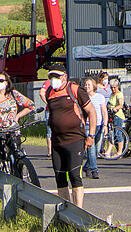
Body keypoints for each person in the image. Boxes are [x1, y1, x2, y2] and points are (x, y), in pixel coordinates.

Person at [44, 66, 96, 208]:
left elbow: (91, 112)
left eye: (56, 76)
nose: (53, 80)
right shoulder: (50, 92)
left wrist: (91, 135)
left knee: (75, 176)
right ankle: (66, 211)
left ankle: (78, 210)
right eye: (51, 77)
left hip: (75, 140)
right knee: (60, 178)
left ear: (64, 77)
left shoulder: (75, 90)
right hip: (57, 141)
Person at [0, 72, 34, 155]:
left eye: (1, 80)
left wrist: (17, 116)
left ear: (6, 82)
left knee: (16, 156)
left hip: (11, 131)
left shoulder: (13, 94)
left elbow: (30, 106)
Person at [81, 77, 108, 179]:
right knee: (91, 149)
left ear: (93, 86)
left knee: (96, 151)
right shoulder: (83, 98)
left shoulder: (100, 97)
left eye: (89, 85)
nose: (87, 86)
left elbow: (104, 112)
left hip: (99, 125)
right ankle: (94, 170)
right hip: (88, 125)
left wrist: (105, 125)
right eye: (85, 85)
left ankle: (87, 167)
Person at [105, 76, 126, 158]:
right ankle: (108, 151)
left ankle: (120, 151)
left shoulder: (119, 94)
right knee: (111, 133)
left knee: (118, 133)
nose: (113, 89)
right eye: (111, 87)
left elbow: (121, 105)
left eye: (114, 87)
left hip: (118, 115)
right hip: (111, 115)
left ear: (117, 86)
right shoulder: (111, 94)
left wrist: (115, 108)